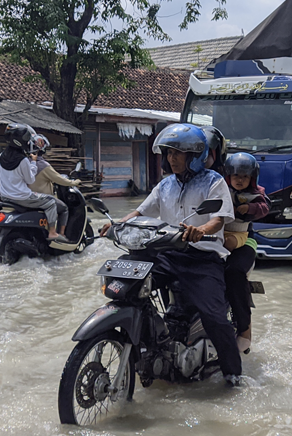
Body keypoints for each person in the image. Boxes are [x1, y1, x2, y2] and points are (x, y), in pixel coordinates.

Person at [101, 123, 241, 385]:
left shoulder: (214, 182)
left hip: (201, 258)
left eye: (177, 152)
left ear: (195, 155)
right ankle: (148, 344)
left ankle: (233, 373)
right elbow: (141, 212)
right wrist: (118, 223)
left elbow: (219, 219)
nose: (171, 158)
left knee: (214, 316)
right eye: (168, 153)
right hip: (167, 254)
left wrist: (200, 230)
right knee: (129, 281)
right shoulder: (165, 185)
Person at [222, 153, 270, 353]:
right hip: (214, 237)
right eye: (235, 176)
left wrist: (248, 208)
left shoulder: (257, 194)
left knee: (234, 272)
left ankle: (244, 331)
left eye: (244, 176)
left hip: (244, 239)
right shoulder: (217, 188)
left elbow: (265, 207)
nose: (239, 180)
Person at [0, 123, 66, 242]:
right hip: (22, 197)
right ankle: (53, 233)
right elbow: (30, 180)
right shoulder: (23, 160)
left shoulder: (0, 157)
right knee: (50, 202)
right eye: (26, 139)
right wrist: (33, 163)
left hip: (5, 196)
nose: (28, 141)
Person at [27, 134, 81, 228]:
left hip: (26, 198)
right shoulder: (44, 166)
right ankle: (61, 234)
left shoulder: (25, 163)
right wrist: (75, 182)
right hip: (41, 198)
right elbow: (59, 179)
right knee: (64, 209)